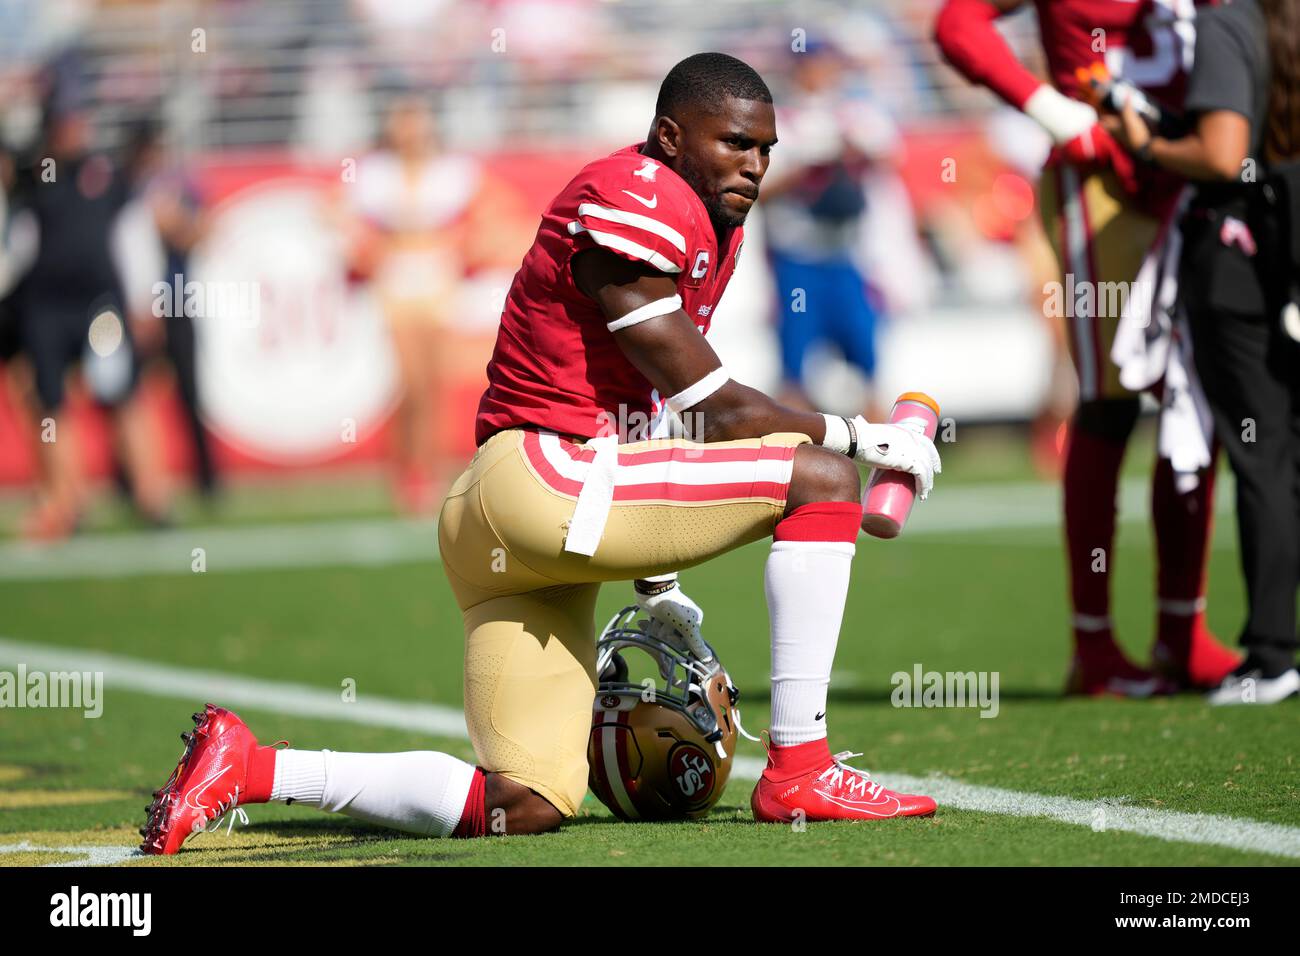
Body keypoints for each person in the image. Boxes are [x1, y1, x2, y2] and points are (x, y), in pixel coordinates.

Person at [139, 53, 943, 852]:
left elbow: (651, 410)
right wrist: (861, 436)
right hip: (547, 482)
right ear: (669, 136)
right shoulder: (641, 197)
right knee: (824, 481)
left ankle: (247, 769)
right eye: (735, 143)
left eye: (766, 148)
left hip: (508, 524)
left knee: (523, 802)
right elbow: (719, 409)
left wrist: (657, 583)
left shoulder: (699, 219)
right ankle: (800, 766)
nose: (756, 164)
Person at [935, 0, 1241, 696]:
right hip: (1102, 176)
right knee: (1109, 401)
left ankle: (1181, 630)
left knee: (1202, 402)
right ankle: (1095, 644)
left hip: (1197, 168)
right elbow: (959, 23)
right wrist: (1047, 106)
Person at [1103, 0, 1300, 704]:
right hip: (1282, 248)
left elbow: (1223, 154)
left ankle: (1274, 655)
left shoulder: (1229, 22)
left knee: (1263, 454)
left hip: (1242, 257)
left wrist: (1147, 144)